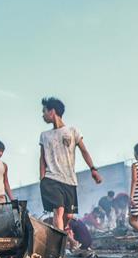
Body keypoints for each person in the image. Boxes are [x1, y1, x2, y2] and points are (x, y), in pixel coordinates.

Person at [38, 96, 103, 232]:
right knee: (59, 211)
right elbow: (42, 158)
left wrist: (93, 169)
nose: (42, 115)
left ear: (52, 111)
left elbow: (84, 151)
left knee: (68, 215)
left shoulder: (72, 131)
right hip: (51, 179)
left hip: (69, 180)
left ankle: (56, 232)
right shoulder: (44, 135)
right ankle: (59, 252)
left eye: (44, 111)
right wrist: (42, 178)